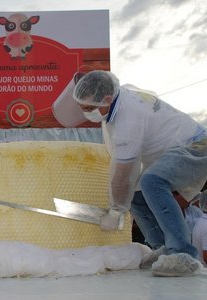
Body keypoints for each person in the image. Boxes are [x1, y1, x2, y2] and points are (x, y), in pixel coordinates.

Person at [72, 70, 207, 277]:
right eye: (81, 108)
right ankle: (162, 247)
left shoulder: (129, 119)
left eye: (90, 108)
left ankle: (183, 254)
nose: (86, 113)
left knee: (151, 182)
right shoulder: (117, 95)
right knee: (136, 192)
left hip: (196, 145)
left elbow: (123, 174)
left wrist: (116, 211)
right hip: (176, 148)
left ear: (107, 99)